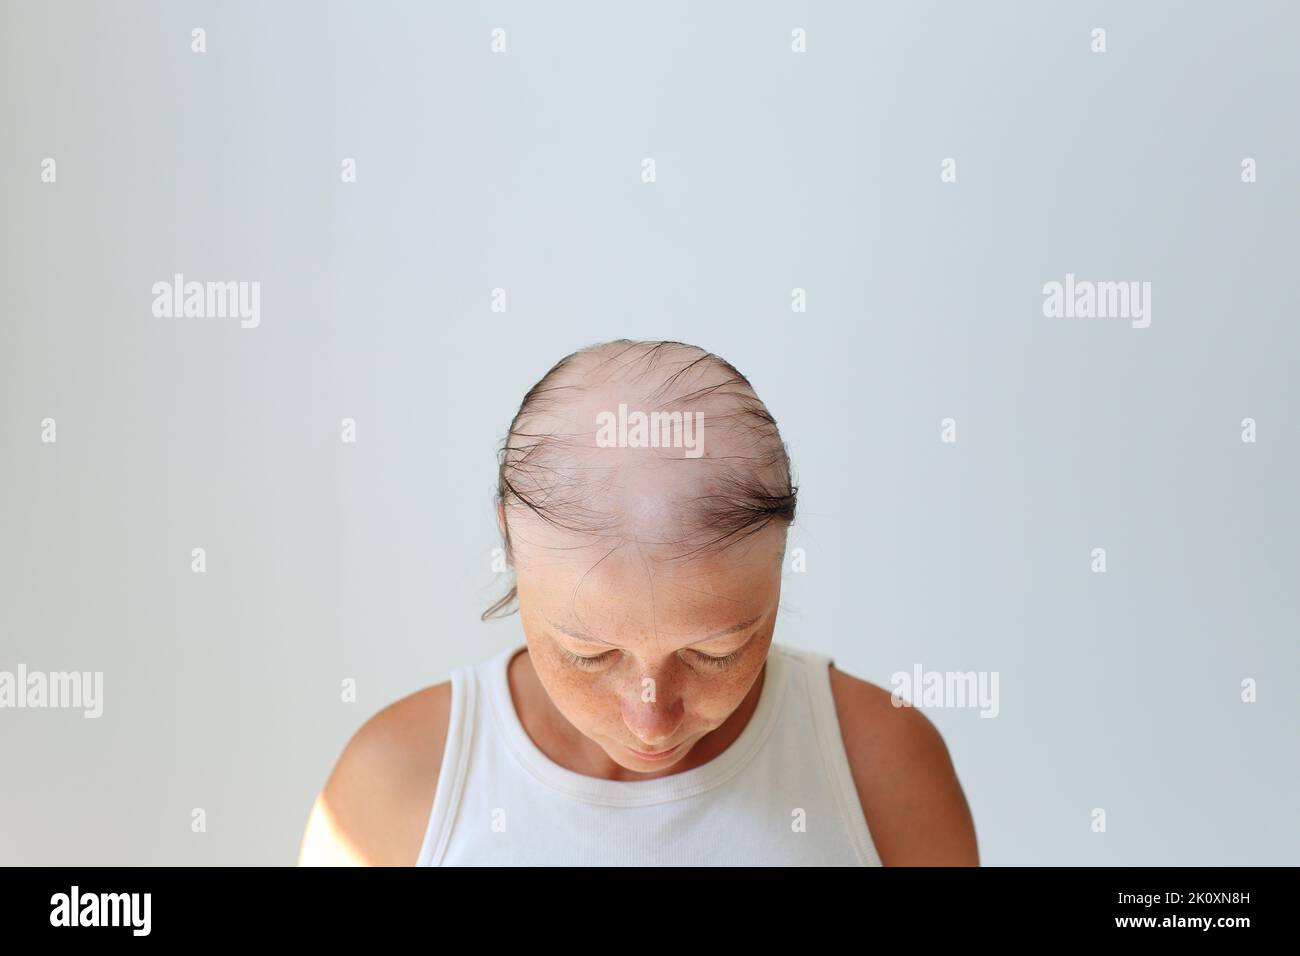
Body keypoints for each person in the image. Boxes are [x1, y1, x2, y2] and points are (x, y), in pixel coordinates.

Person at [298, 339, 978, 865]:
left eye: (717, 653)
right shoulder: (397, 782)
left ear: (780, 562)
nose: (652, 720)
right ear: (508, 540)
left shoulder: (881, 763)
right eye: (589, 655)